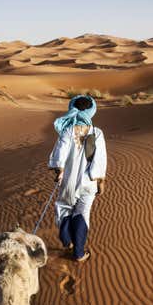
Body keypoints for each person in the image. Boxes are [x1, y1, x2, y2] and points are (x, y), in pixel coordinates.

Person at [48, 95, 107, 262]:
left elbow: (60, 152)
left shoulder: (67, 130)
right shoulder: (97, 133)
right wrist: (100, 181)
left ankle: (68, 243)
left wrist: (59, 170)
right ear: (91, 110)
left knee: (64, 209)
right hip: (89, 181)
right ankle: (79, 253)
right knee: (82, 213)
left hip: (68, 181)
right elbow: (100, 159)